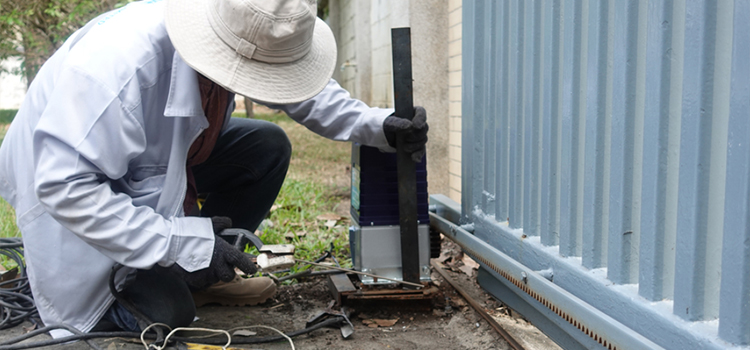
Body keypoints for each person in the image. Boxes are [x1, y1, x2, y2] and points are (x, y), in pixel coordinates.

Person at [0, 0, 428, 338]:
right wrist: (180, 244)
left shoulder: (236, 25)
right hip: (70, 199)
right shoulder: (117, 71)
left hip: (136, 171)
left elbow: (298, 85)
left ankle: (199, 271)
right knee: (166, 312)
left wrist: (377, 125)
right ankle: (180, 273)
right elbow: (64, 187)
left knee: (265, 145)